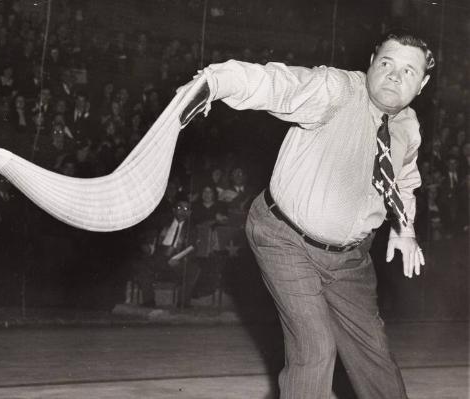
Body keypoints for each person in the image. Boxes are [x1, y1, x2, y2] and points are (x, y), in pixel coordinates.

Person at [181, 32, 433, 399]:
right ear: (371, 62)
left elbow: (405, 179)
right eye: (387, 64)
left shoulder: (408, 126)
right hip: (285, 237)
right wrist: (216, 80)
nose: (394, 76)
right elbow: (278, 83)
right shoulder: (337, 90)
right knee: (314, 350)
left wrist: (403, 229)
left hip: (350, 259)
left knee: (373, 355)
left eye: (409, 71)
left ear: (422, 84)